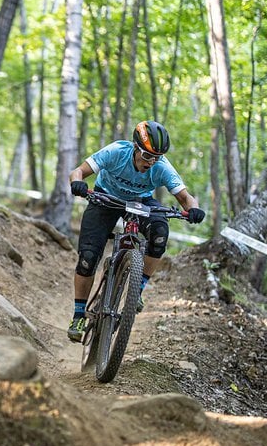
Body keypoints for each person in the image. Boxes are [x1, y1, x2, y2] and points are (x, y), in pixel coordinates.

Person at [66, 120, 206, 342]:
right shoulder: (115, 152)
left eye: (157, 157)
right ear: (135, 147)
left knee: (160, 233)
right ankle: (78, 315)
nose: (151, 162)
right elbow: (78, 172)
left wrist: (194, 209)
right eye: (147, 155)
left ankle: (136, 289)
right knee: (88, 257)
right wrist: (78, 183)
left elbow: (185, 198)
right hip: (105, 198)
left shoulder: (161, 167)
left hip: (140, 202)